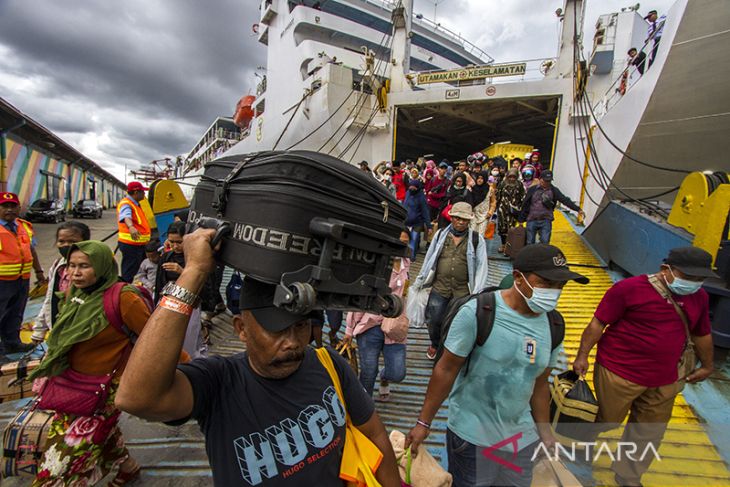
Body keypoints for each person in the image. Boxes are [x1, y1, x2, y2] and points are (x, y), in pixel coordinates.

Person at [116, 228, 401, 486]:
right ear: (241, 328)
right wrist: (194, 272)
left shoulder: (329, 363)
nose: (291, 342)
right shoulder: (219, 382)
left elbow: (375, 435)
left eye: (300, 325)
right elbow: (136, 397)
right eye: (275, 329)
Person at [406, 244, 589, 487]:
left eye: (560, 286)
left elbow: (540, 383)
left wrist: (545, 433)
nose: (555, 292)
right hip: (472, 438)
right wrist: (423, 423)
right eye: (546, 282)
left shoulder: (554, 324)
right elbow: (446, 369)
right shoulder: (479, 311)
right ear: (518, 278)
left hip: (521, 440)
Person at [573, 247, 715, 486]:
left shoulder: (699, 297)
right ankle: (578, 447)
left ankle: (629, 474)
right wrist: (582, 356)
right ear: (665, 270)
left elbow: (702, 334)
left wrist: (708, 365)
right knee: (606, 418)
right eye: (688, 277)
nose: (694, 283)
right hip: (619, 371)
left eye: (699, 279)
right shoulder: (628, 289)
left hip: (667, 376)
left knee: (649, 430)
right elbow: (599, 323)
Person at [27, 241, 153, 486]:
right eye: (71, 266)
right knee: (101, 434)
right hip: (71, 385)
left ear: (102, 265)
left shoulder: (124, 298)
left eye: (84, 266)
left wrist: (190, 374)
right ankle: (128, 466)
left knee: (59, 465)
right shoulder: (76, 294)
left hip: (104, 390)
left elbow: (156, 338)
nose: (74, 272)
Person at [412, 202, 489, 360]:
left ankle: (451, 349)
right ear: (452, 218)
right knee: (434, 319)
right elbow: (429, 258)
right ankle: (435, 343)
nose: (461, 222)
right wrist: (421, 279)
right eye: (458, 218)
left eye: (464, 219)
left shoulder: (476, 239)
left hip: (462, 290)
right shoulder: (441, 235)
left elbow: (482, 265)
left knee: (459, 322)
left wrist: (478, 292)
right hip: (440, 286)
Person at [343, 230, 411, 399]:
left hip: (394, 325)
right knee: (368, 371)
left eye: (404, 242)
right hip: (369, 325)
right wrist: (349, 330)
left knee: (397, 373)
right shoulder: (376, 264)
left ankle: (385, 377)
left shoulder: (406, 262)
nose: (400, 246)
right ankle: (364, 408)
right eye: (397, 241)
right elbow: (359, 297)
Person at [0, 192, 44, 360]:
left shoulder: (24, 226)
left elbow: (31, 250)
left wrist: (39, 272)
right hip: (2, 281)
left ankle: (12, 343)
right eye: (5, 206)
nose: (9, 210)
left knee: (15, 314)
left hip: (22, 280)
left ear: (19, 208)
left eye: (13, 206)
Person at [32, 221, 91, 344]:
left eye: (72, 242)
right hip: (58, 324)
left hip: (81, 328)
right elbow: (49, 298)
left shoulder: (93, 267)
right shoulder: (57, 266)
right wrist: (39, 330)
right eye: (61, 241)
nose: (66, 245)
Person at [155, 222, 207, 360]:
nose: (175, 246)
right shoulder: (166, 257)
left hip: (189, 303)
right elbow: (159, 282)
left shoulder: (195, 259)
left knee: (189, 339)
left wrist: (182, 271)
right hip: (168, 301)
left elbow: (202, 283)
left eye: (179, 242)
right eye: (171, 242)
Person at [519, 170, 584, 245]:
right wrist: (521, 219)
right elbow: (526, 204)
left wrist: (577, 209)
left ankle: (542, 256)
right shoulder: (532, 189)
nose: (547, 183)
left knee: (545, 241)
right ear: (540, 179)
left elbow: (564, 200)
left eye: (549, 181)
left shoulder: (554, 190)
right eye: (545, 181)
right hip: (532, 219)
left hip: (546, 220)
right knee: (530, 242)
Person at [117, 181, 151, 283]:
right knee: (129, 272)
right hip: (132, 245)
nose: (144, 194)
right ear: (136, 192)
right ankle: (125, 291)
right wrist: (131, 227)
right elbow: (125, 216)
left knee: (139, 269)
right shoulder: (126, 204)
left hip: (138, 244)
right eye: (143, 192)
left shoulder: (135, 204)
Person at [496, 169, 526, 255]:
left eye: (514, 177)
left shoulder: (519, 185)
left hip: (514, 209)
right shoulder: (502, 184)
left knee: (512, 228)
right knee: (502, 227)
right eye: (510, 177)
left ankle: (511, 246)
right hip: (503, 208)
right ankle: (503, 244)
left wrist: (520, 209)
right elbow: (498, 195)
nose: (512, 179)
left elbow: (523, 197)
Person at [404, 180, 430, 260]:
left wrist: (429, 226)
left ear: (417, 188)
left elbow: (425, 212)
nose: (411, 188)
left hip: (417, 223)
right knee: (405, 239)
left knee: (413, 240)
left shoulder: (421, 197)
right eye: (410, 186)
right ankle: (404, 256)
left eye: (413, 187)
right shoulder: (408, 193)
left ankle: (411, 257)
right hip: (406, 221)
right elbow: (404, 204)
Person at [467, 172, 496, 237]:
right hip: (473, 215)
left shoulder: (490, 189)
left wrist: (490, 212)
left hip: (484, 216)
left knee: (480, 236)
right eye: (478, 178)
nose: (479, 180)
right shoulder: (472, 189)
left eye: (482, 178)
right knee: (472, 234)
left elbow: (493, 202)